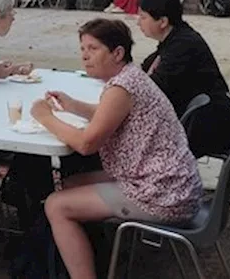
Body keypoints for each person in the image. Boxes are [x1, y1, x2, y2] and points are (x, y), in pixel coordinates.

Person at [34, 18, 203, 279]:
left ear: (118, 53)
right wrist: (72, 105)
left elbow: (86, 144)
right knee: (68, 184)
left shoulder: (122, 87)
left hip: (162, 193)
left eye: (93, 49)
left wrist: (45, 117)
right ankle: (93, 254)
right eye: (82, 49)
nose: (85, 56)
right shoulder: (129, 78)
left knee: (56, 205)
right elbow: (110, 115)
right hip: (167, 181)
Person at [136, 0, 230, 150]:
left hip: (205, 124)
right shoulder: (176, 37)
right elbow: (147, 67)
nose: (138, 22)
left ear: (162, 22)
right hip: (198, 115)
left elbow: (152, 88)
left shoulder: (183, 45)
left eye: (143, 17)